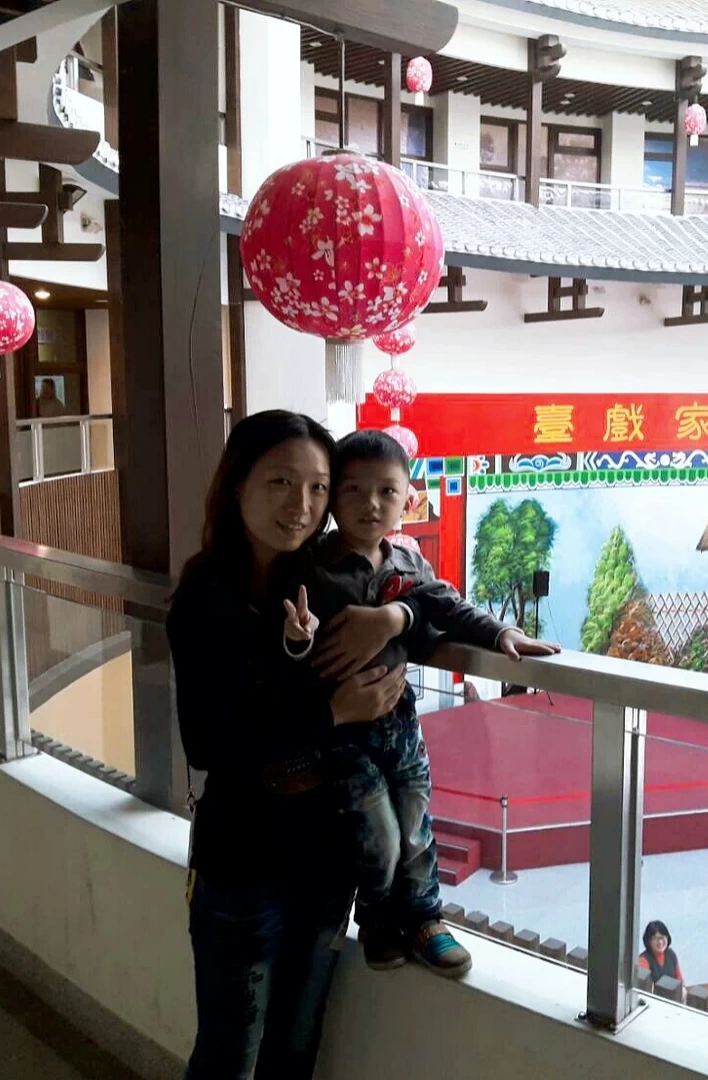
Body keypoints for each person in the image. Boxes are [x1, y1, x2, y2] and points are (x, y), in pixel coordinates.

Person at [167, 411, 430, 1080]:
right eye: (281, 482)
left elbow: (426, 597)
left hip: (325, 856)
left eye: (318, 487)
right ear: (237, 485)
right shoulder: (207, 597)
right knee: (230, 1057)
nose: (302, 505)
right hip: (244, 860)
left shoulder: (321, 581)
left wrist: (394, 616)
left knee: (294, 1049)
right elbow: (208, 742)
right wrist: (332, 712)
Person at [283, 429, 560, 978]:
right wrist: (296, 640)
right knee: (380, 836)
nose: (371, 504)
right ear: (333, 497)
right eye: (354, 489)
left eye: (386, 491)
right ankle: (377, 920)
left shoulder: (408, 563)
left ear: (407, 497)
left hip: (402, 726)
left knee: (415, 826)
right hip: (343, 738)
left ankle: (426, 920)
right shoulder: (310, 568)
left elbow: (446, 606)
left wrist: (500, 633)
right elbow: (290, 650)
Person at [637, 920, 684, 985]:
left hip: (673, 991)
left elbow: (680, 981)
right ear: (648, 940)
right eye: (655, 938)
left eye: (662, 937)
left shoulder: (671, 954)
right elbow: (645, 986)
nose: (660, 942)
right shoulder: (642, 960)